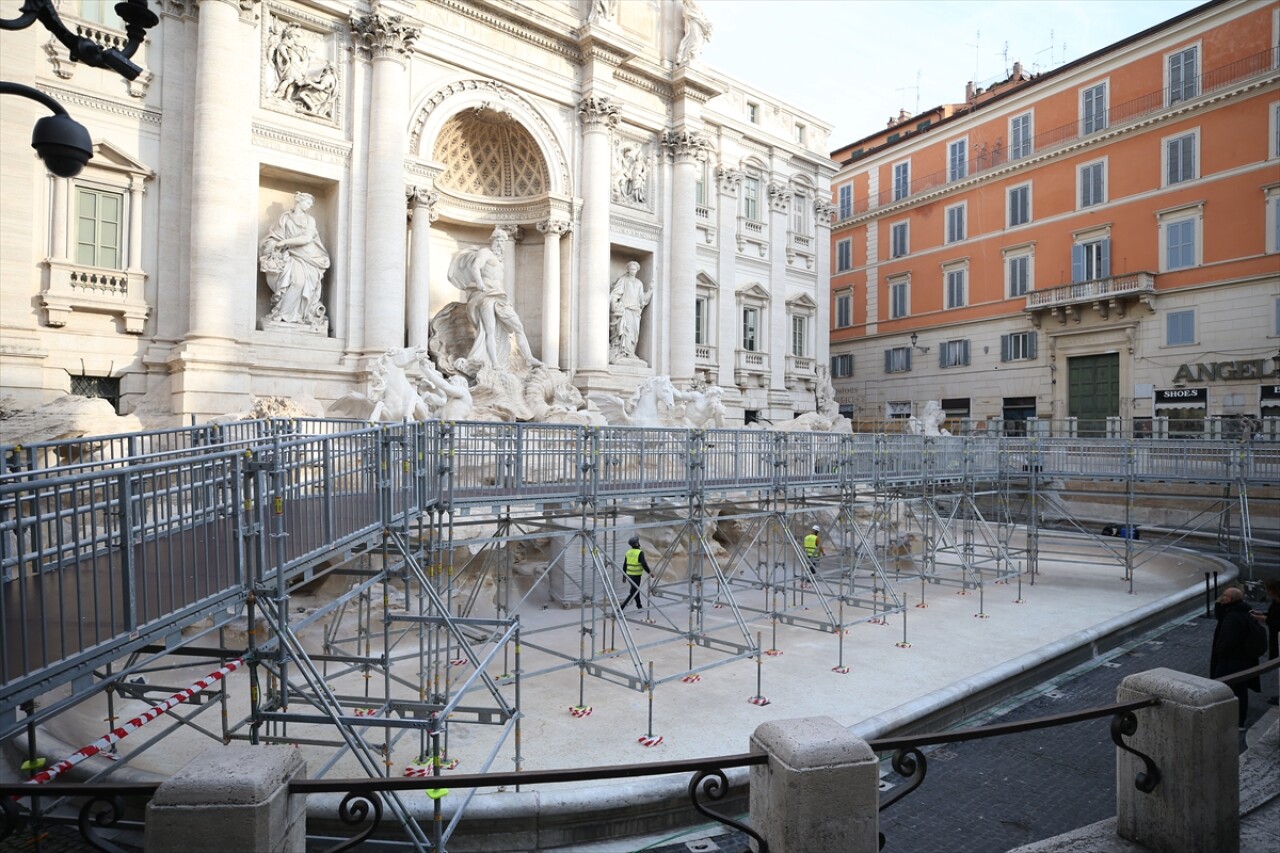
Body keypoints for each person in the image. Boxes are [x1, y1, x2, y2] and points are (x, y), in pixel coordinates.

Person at [449, 229, 541, 371]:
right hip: (486, 295)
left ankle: (529, 358)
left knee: (518, 326)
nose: (501, 244)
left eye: (503, 242)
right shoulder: (485, 253)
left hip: (499, 296)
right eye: (498, 241)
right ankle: (494, 363)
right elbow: (475, 267)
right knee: (489, 330)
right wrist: (479, 283)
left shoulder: (500, 262)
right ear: (492, 241)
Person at [259, 192, 330, 327]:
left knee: (300, 283)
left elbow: (307, 238)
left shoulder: (309, 220)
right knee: (292, 281)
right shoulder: (285, 218)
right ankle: (285, 314)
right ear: (299, 201)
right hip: (290, 254)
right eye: (308, 203)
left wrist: (285, 242)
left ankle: (287, 314)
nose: (309, 206)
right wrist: (275, 245)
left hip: (308, 255)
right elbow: (275, 235)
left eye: (311, 204)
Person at [1210, 585, 1267, 729]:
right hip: (1242, 659)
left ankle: (1232, 721)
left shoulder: (1233, 617)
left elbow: (1229, 640)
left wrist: (1219, 651)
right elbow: (1220, 614)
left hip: (1231, 660)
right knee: (1239, 689)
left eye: (1225, 596)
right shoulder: (1242, 611)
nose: (1222, 598)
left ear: (1232, 600)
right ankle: (1237, 721)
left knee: (1227, 689)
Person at [608, 261, 651, 362]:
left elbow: (642, 300)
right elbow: (615, 294)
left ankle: (631, 352)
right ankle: (623, 352)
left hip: (635, 311)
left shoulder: (639, 283)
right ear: (628, 270)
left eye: (635, 269)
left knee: (633, 333)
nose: (633, 271)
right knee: (625, 332)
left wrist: (650, 290)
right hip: (625, 309)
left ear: (637, 270)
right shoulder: (623, 280)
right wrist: (615, 306)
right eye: (631, 269)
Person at [1252, 579, 1280, 706]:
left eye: (1268, 590)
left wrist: (1263, 618)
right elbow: (1274, 615)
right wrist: (1262, 614)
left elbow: (1277, 621)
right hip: (1275, 638)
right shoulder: (1276, 602)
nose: (1267, 592)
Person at [675, 0, 712, 66]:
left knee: (698, 39)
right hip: (693, 20)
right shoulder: (689, 1)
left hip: (699, 22)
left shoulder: (697, 4)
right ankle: (690, 55)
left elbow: (702, 15)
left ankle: (693, 56)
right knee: (694, 37)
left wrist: (707, 25)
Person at [620, 535, 651, 611]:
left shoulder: (628, 552)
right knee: (633, 592)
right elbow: (644, 564)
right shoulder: (639, 552)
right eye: (638, 541)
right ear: (636, 544)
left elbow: (625, 564)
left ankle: (639, 606)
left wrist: (624, 576)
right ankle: (621, 608)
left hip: (629, 575)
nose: (638, 542)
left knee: (635, 590)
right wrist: (650, 573)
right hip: (636, 576)